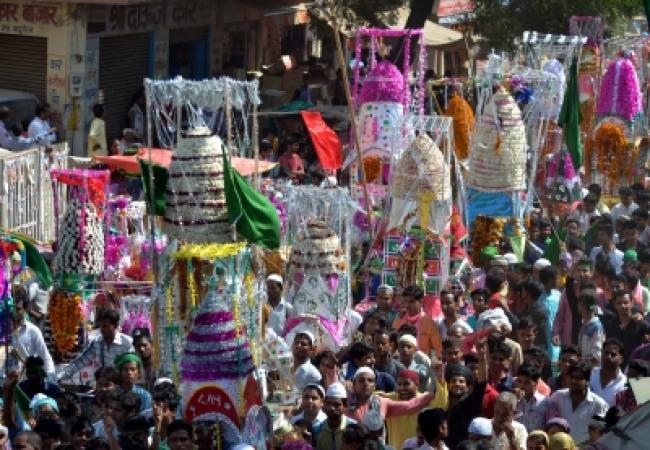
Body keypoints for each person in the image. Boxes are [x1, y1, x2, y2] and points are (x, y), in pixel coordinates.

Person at [58, 308, 134, 381]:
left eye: (106, 326)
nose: (102, 330)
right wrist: (59, 376)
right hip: (104, 384)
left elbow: (132, 368)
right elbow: (80, 361)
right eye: (101, 326)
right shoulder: (97, 342)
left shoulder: (126, 343)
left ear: (115, 326)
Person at [545, 361, 608, 443]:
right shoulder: (558, 396)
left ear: (587, 381)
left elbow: (602, 434)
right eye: (571, 377)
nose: (574, 381)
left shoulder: (599, 404)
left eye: (579, 378)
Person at [345, 366, 433, 424]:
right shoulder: (344, 402)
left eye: (370, 381)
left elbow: (410, 405)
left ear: (374, 386)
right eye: (361, 380)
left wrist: (432, 394)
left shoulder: (382, 402)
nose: (366, 383)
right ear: (354, 384)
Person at [9, 288, 55, 378]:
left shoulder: (33, 331)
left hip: (24, 380)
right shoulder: (3, 332)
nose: (14, 312)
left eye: (18, 309)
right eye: (12, 308)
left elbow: (45, 357)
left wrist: (51, 378)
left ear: (25, 309)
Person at [602, 289, 650, 367]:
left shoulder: (641, 325)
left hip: (635, 369)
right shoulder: (610, 325)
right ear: (615, 305)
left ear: (632, 303)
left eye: (626, 302)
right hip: (615, 369)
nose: (623, 306)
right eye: (619, 303)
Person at [392, 285, 442, 358]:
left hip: (422, 364)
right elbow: (392, 343)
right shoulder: (400, 319)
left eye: (411, 302)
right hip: (401, 363)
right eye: (405, 301)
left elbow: (438, 350)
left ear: (421, 302)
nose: (407, 305)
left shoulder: (429, 323)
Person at [312, 383, 356, 450]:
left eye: (337, 405)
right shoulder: (317, 428)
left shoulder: (353, 427)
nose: (332, 408)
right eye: (328, 403)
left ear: (345, 406)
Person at [588, 338, 627, 406]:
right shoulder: (590, 374)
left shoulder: (624, 383)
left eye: (613, 354)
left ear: (621, 359)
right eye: (606, 353)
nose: (608, 357)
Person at [514, 363, 547, 432]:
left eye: (527, 383)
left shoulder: (544, 403)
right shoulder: (513, 401)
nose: (522, 386)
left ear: (536, 382)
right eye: (520, 381)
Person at [577, 290, 605, 367]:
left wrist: (586, 364)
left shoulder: (596, 326)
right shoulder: (583, 323)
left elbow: (597, 353)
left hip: (592, 369)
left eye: (579, 303)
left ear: (582, 306)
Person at [520, 281, 550, 350]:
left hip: (538, 350)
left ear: (527, 293)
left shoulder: (538, 311)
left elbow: (521, 324)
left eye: (523, 290)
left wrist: (506, 310)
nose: (521, 292)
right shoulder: (529, 307)